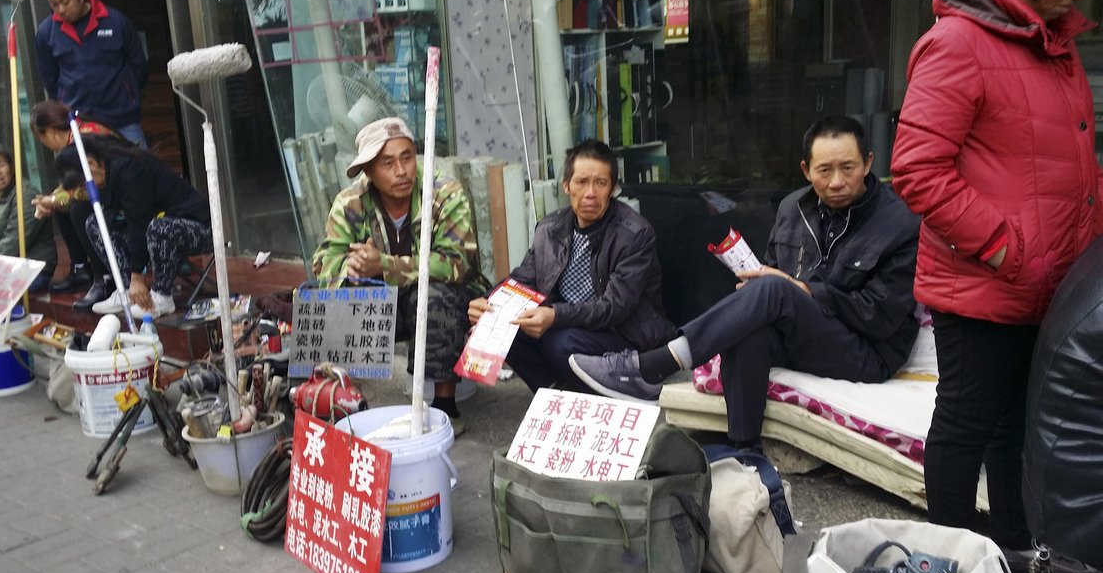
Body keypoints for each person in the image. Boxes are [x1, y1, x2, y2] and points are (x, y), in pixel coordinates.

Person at [891, 0, 1103, 573]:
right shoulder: (957, 42)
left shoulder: (1053, 45)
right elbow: (917, 168)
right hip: (987, 281)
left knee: (1019, 425)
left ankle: (1015, 549)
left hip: (1048, 283)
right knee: (966, 422)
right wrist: (1007, 248)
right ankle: (947, 565)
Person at [570, 116, 920, 454]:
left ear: (869, 162)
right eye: (824, 171)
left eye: (849, 168)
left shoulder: (899, 223)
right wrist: (756, 293)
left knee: (774, 290)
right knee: (749, 326)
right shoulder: (791, 208)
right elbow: (772, 274)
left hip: (866, 351)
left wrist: (803, 292)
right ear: (806, 170)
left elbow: (882, 317)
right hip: (804, 335)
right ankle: (745, 448)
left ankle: (652, 366)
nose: (837, 182)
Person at [312, 117, 489, 432]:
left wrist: (384, 265)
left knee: (434, 295)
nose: (401, 170)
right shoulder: (351, 202)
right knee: (329, 299)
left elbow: (455, 264)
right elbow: (324, 261)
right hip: (383, 301)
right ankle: (346, 399)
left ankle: (446, 403)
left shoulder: (443, 192)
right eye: (388, 163)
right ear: (368, 172)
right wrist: (350, 269)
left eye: (407, 157)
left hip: (447, 296)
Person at [467, 139, 675, 392]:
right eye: (581, 182)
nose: (590, 193)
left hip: (624, 333)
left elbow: (614, 308)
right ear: (566, 185)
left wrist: (554, 316)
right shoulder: (550, 228)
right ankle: (555, 390)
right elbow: (525, 277)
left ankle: (607, 390)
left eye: (600, 183)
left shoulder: (635, 234)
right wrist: (490, 303)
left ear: (613, 188)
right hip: (570, 325)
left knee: (560, 342)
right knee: (503, 325)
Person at [54, 136, 211, 318]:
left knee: (158, 228)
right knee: (96, 223)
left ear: (91, 164)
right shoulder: (106, 172)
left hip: (198, 227)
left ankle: (162, 296)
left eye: (83, 184)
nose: (85, 190)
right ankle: (127, 290)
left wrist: (139, 277)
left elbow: (139, 223)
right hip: (156, 225)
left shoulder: (130, 169)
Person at [35, 0, 148, 147]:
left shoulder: (115, 21)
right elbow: (49, 78)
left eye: (65, 2)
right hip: (79, 122)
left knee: (139, 171)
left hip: (122, 118)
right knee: (87, 173)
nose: (60, 10)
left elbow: (138, 65)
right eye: (54, 4)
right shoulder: (46, 32)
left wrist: (129, 94)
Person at [30, 99, 128, 306]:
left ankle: (104, 278)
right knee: (63, 206)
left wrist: (55, 199)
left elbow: (86, 188)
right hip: (107, 191)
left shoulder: (83, 137)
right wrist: (53, 200)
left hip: (123, 191)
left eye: (42, 139)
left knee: (78, 209)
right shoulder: (75, 133)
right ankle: (81, 269)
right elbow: (73, 185)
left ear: (49, 132)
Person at [0, 143, 57, 291]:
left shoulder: (25, 194)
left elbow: (14, 240)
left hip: (30, 269)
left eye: (1, 165)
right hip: (0, 266)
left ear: (12, 168)